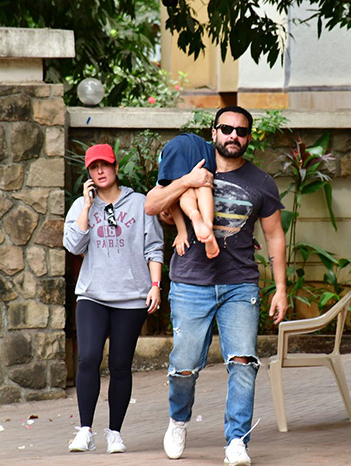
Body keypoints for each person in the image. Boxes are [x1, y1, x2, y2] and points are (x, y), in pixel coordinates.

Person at [145, 106, 288, 466]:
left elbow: (274, 236)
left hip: (240, 284)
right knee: (184, 365)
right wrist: (188, 182)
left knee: (243, 361)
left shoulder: (261, 183)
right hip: (192, 283)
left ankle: (236, 441)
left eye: (241, 131)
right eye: (226, 128)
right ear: (214, 132)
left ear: (249, 138)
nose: (233, 136)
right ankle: (178, 420)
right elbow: (152, 204)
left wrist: (281, 288)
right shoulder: (190, 163)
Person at [63, 143, 164, 454]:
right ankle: (85, 430)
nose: (100, 171)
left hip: (131, 297)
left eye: (105, 165)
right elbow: (74, 246)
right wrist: (85, 206)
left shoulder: (140, 203)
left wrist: (156, 285)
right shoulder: (83, 205)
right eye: (94, 168)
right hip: (92, 294)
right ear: (89, 173)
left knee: (120, 365)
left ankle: (115, 432)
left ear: (116, 167)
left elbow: (154, 248)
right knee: (88, 358)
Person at [156, 133, 220, 259]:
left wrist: (181, 231)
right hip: (202, 146)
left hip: (173, 149)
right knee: (203, 185)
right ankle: (208, 225)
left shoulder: (166, 157)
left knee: (182, 191)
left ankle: (193, 214)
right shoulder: (206, 146)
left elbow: (172, 200)